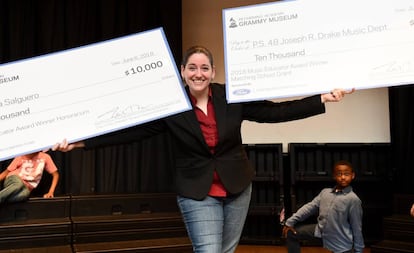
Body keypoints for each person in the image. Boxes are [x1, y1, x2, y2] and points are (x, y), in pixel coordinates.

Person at [52, 45, 353, 253]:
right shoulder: (170, 104)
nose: (198, 73)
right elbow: (132, 132)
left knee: (225, 250)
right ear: (182, 71)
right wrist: (80, 142)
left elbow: (275, 112)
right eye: (192, 68)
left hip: (236, 186)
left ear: (212, 71)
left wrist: (323, 98)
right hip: (197, 190)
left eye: (204, 68)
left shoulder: (230, 96)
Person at [282, 160, 364, 253]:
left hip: (340, 243)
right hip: (320, 232)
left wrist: (359, 250)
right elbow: (309, 208)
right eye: (339, 174)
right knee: (291, 233)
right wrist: (290, 222)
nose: (343, 177)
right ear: (334, 176)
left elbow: (357, 227)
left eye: (346, 174)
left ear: (352, 176)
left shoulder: (353, 199)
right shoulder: (325, 192)